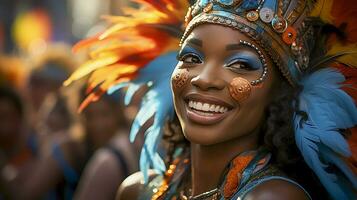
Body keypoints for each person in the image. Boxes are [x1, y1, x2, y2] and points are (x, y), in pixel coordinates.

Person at [65, 0, 357, 199]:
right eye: (191, 57)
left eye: (241, 64)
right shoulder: (137, 191)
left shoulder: (271, 196)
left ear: (281, 92)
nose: (203, 78)